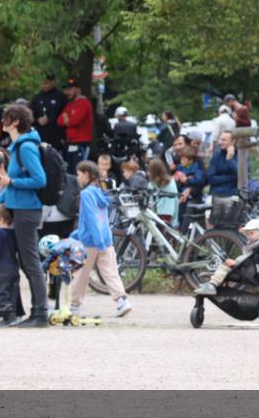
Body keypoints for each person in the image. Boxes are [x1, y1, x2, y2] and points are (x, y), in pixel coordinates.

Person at [0, 104, 49, 327]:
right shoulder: (19, 147)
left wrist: (11, 181)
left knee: (31, 263)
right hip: (20, 209)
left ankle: (40, 313)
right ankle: (36, 312)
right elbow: (13, 184)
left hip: (27, 211)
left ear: (15, 122)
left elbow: (39, 180)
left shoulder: (25, 148)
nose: (2, 121)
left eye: (6, 117)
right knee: (28, 263)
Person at [69, 160, 133, 317]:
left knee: (80, 273)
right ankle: (122, 301)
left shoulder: (86, 194)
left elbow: (90, 218)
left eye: (79, 174)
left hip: (90, 241)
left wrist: (85, 237)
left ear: (86, 174)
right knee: (111, 272)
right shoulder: (101, 193)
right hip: (106, 237)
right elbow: (100, 218)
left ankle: (75, 306)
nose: (78, 177)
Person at [193, 218, 259, 296]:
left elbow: (248, 258)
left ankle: (212, 284)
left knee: (224, 267)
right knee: (226, 264)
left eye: (251, 233)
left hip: (247, 269)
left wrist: (235, 263)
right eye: (247, 234)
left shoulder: (256, 246)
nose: (248, 236)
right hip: (251, 268)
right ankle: (211, 283)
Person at [57, 78, 93, 170]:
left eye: (70, 89)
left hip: (81, 143)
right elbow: (60, 121)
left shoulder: (84, 103)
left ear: (78, 89)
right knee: (70, 170)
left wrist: (68, 120)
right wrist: (68, 120)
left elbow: (75, 121)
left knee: (81, 170)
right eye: (66, 89)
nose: (67, 92)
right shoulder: (69, 105)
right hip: (70, 143)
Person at [29, 74, 68, 152]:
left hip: (56, 137)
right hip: (41, 136)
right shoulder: (37, 98)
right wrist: (37, 120)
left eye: (46, 83)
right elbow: (30, 116)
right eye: (42, 83)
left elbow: (65, 116)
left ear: (53, 82)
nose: (44, 85)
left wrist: (63, 137)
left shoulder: (61, 97)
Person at [174, 146, 206, 229]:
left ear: (191, 161)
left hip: (193, 196)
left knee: (187, 215)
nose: (181, 161)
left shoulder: (196, 168)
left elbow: (199, 180)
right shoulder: (180, 168)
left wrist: (187, 180)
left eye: (184, 160)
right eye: (181, 159)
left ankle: (183, 232)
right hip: (181, 195)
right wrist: (177, 179)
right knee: (179, 213)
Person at [206, 130, 239, 198]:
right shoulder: (217, 155)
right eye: (220, 139)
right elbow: (211, 178)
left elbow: (241, 175)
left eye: (224, 140)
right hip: (216, 193)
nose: (220, 142)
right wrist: (232, 178)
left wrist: (230, 159)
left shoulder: (241, 155)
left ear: (233, 141)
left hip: (234, 194)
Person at [147, 158, 179, 226]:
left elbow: (150, 201)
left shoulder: (151, 184)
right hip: (170, 212)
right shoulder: (171, 181)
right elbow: (175, 200)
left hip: (158, 213)